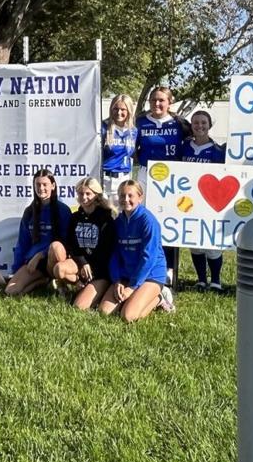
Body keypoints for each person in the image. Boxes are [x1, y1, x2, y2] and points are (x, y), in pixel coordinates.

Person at [134, 86, 190, 282]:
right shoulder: (140, 122)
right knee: (145, 219)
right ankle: (144, 263)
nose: (157, 104)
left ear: (169, 102)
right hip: (146, 174)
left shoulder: (180, 123)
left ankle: (170, 268)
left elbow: (195, 141)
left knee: (169, 220)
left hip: (171, 176)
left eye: (161, 100)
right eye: (153, 100)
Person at [96, 180, 173, 321]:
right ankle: (135, 298)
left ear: (140, 197)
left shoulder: (148, 221)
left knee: (128, 316)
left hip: (151, 275)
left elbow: (148, 258)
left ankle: (159, 297)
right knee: (104, 311)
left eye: (130, 196)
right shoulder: (118, 222)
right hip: (127, 274)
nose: (126, 200)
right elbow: (115, 254)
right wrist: (117, 280)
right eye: (122, 196)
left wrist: (132, 288)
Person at [49, 176, 116, 307]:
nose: (84, 197)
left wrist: (91, 268)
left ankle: (95, 290)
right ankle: (76, 285)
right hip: (81, 264)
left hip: (100, 270)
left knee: (79, 307)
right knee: (59, 269)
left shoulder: (106, 219)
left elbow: (107, 250)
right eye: (80, 193)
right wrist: (83, 263)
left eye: (88, 194)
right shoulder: (75, 218)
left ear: (96, 195)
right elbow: (72, 245)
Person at [4, 169, 72, 296]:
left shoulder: (63, 210)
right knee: (11, 291)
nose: (41, 188)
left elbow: (66, 241)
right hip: (34, 263)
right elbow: (22, 243)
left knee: (56, 246)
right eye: (38, 185)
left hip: (54, 259)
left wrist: (41, 254)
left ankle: (60, 283)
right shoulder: (30, 211)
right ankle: (43, 281)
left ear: (53, 186)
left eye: (45, 184)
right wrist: (17, 269)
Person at [181, 110, 227, 292]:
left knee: (211, 243)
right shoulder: (184, 147)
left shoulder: (217, 151)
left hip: (210, 202)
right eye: (196, 123)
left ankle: (215, 280)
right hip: (188, 201)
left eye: (203, 123)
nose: (199, 126)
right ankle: (201, 279)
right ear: (191, 125)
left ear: (209, 125)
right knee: (194, 243)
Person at [101, 95, 137, 200]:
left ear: (129, 110)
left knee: (121, 214)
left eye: (123, 109)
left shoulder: (133, 131)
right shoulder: (103, 128)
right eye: (115, 109)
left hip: (124, 178)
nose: (118, 112)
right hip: (105, 178)